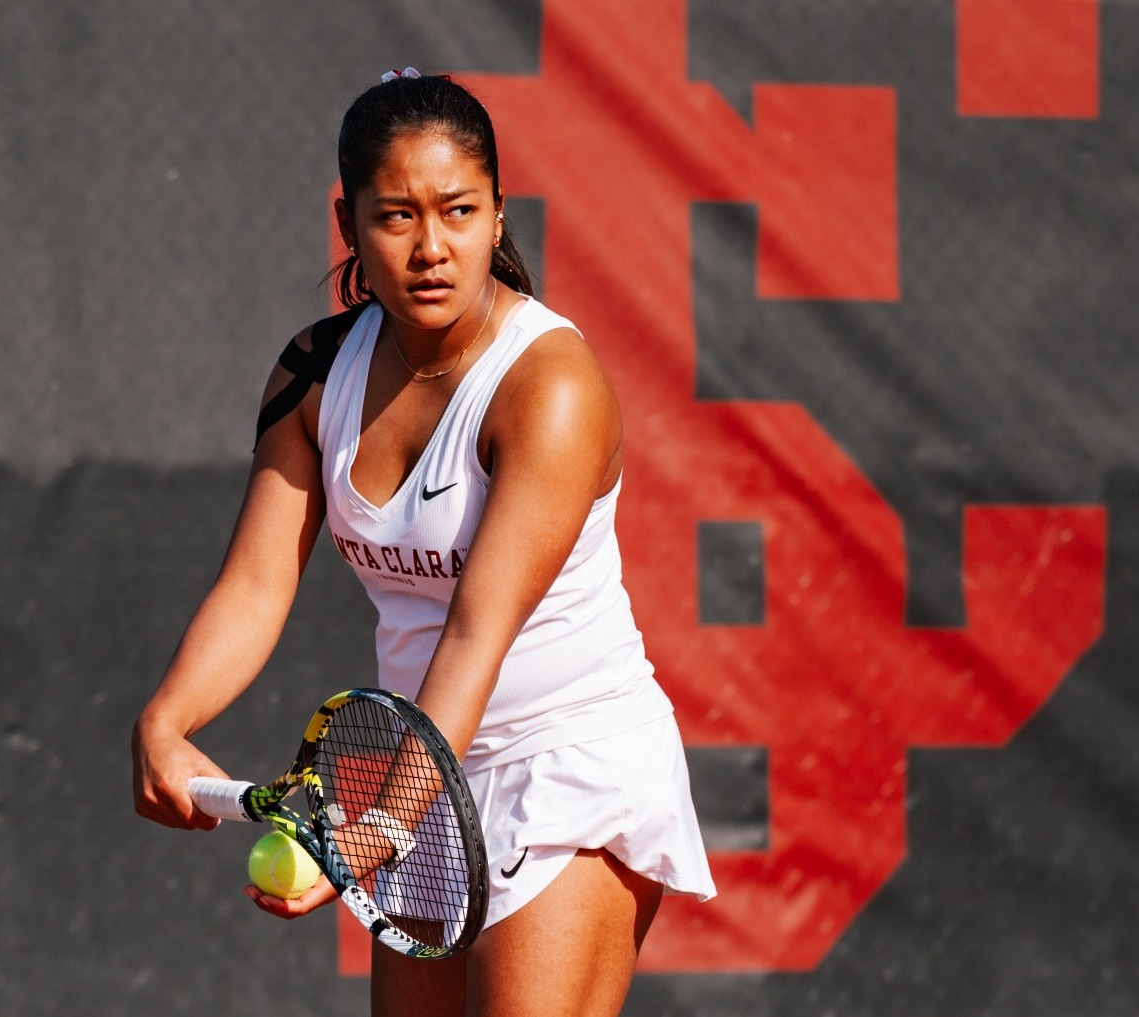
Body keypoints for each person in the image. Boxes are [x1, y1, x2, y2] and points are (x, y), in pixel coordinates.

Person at [132, 70, 715, 1016]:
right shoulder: (316, 373)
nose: (431, 247)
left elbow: (476, 632)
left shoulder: (550, 389)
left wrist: (378, 829)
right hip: (426, 770)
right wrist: (166, 720)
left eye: (459, 210)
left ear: (497, 216)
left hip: (565, 763)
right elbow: (255, 583)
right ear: (350, 223)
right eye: (396, 216)